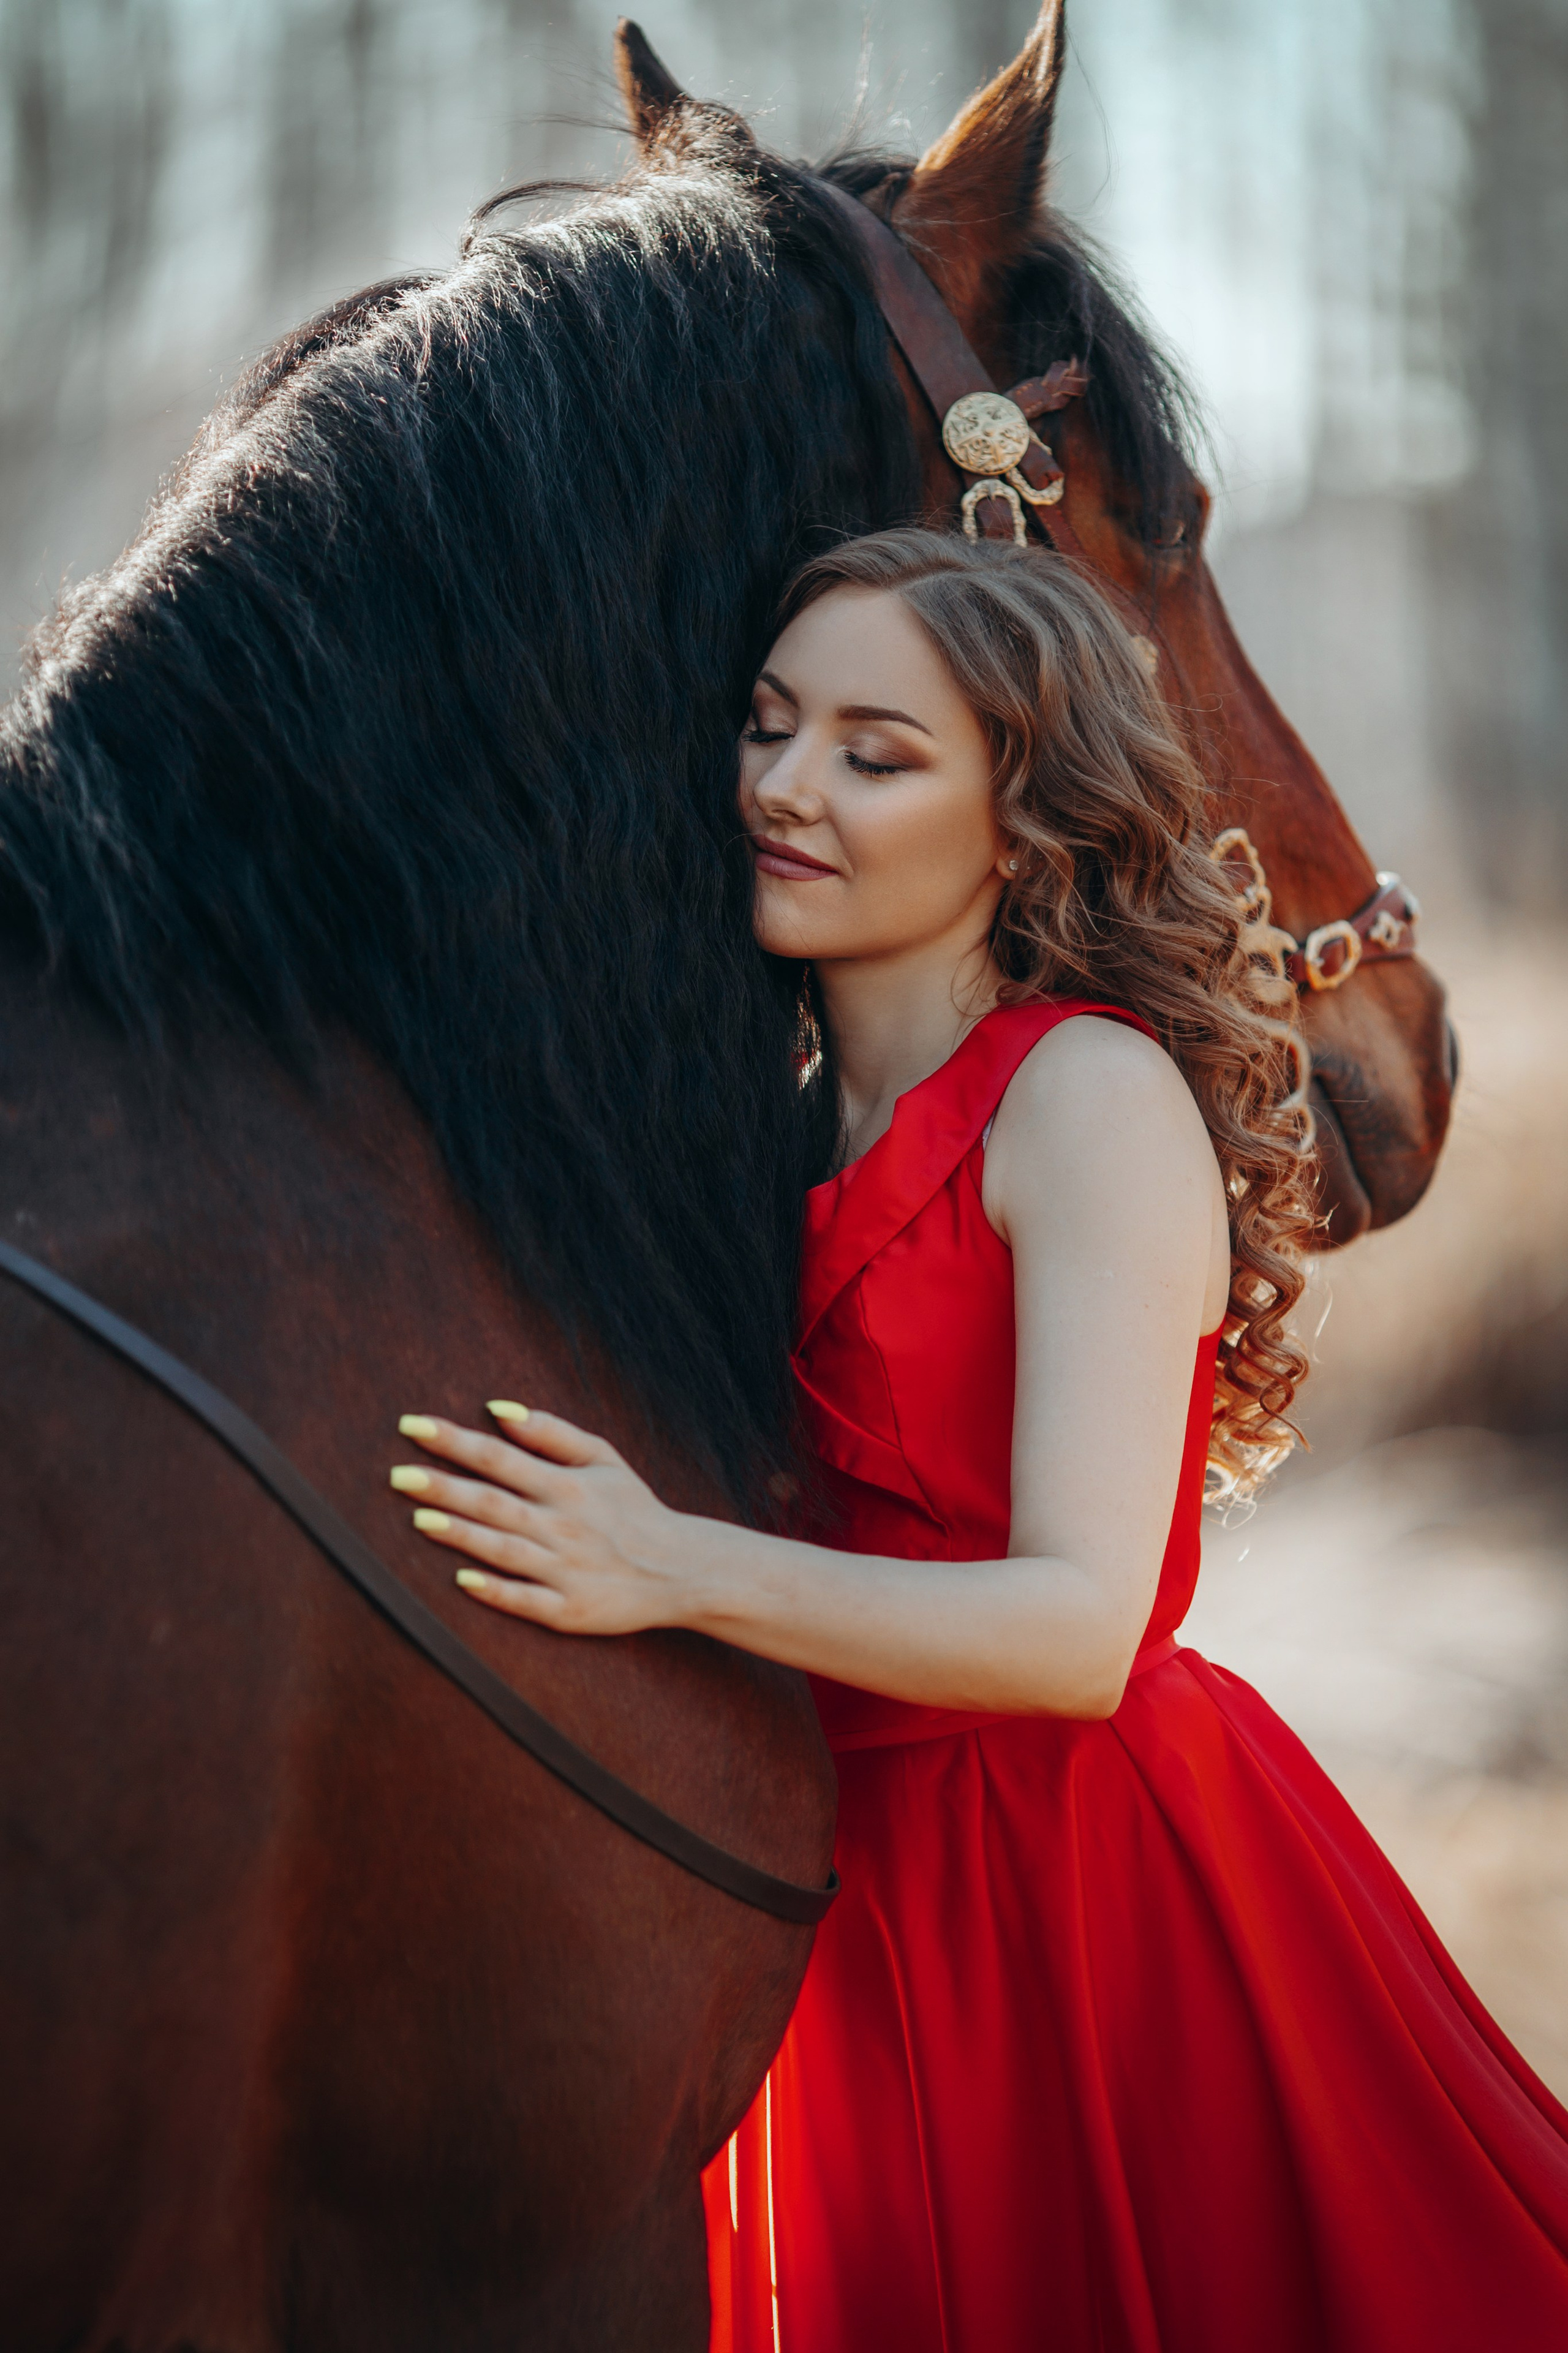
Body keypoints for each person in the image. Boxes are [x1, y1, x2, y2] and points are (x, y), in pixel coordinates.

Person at [388, 530, 1568, 2351]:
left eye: (877, 751)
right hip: (840, 1887)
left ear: (1025, 824)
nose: (785, 784)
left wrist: (660, 1565)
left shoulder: (1085, 1094)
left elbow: (1081, 1631)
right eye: (771, 725)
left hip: (1085, 1892)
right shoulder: (763, 1125)